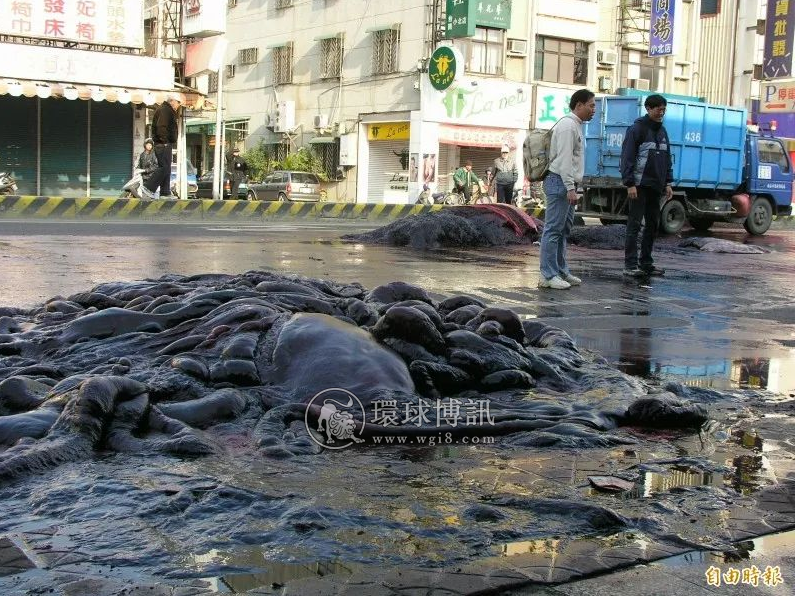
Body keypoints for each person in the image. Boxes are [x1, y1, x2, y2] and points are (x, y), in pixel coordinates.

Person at [538, 88, 596, 290]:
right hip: (559, 182)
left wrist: (573, 187)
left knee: (563, 230)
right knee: (553, 229)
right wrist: (570, 188)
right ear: (578, 105)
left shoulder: (576, 126)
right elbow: (564, 160)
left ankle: (561, 270)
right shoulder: (567, 126)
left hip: (567, 183)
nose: (594, 109)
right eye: (591, 105)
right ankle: (547, 275)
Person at [620, 94, 673, 278]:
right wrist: (630, 183)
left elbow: (667, 159)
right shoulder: (637, 129)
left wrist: (667, 182)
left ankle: (646, 263)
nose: (661, 113)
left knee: (652, 225)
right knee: (634, 225)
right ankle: (630, 265)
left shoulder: (662, 131)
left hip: (656, 187)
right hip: (639, 186)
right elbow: (627, 157)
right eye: (658, 109)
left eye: (663, 109)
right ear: (648, 109)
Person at [144, 94, 181, 198]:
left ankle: (165, 192)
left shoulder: (166, 109)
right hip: (162, 144)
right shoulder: (165, 110)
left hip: (165, 143)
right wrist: (164, 141)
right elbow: (161, 127)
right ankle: (148, 187)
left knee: (167, 168)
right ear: (172, 101)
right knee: (164, 167)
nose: (178, 105)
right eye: (178, 102)